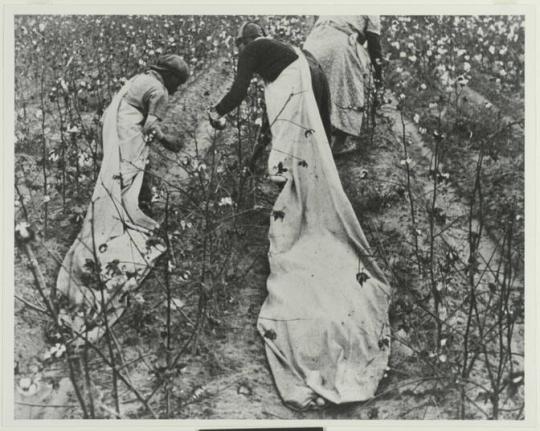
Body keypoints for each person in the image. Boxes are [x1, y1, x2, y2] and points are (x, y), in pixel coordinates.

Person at [211, 22, 391, 411]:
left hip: (302, 80)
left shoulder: (252, 50)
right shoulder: (283, 55)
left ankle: (295, 205)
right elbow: (268, 121)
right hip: (310, 76)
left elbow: (239, 92)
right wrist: (253, 161)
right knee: (301, 150)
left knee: (292, 158)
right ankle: (300, 193)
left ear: (245, 42)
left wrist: (215, 112)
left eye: (240, 48)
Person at [56, 54, 189, 342]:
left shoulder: (140, 79)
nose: (178, 90)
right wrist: (171, 143)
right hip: (127, 134)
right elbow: (151, 127)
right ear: (171, 77)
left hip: (113, 131)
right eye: (179, 83)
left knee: (116, 180)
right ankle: (127, 219)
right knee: (126, 183)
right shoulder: (160, 91)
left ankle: (130, 208)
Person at [304, 15, 383, 154]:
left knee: (313, 90)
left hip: (313, 42)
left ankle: (310, 141)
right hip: (338, 44)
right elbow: (374, 46)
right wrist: (379, 78)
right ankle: (339, 144)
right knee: (347, 91)